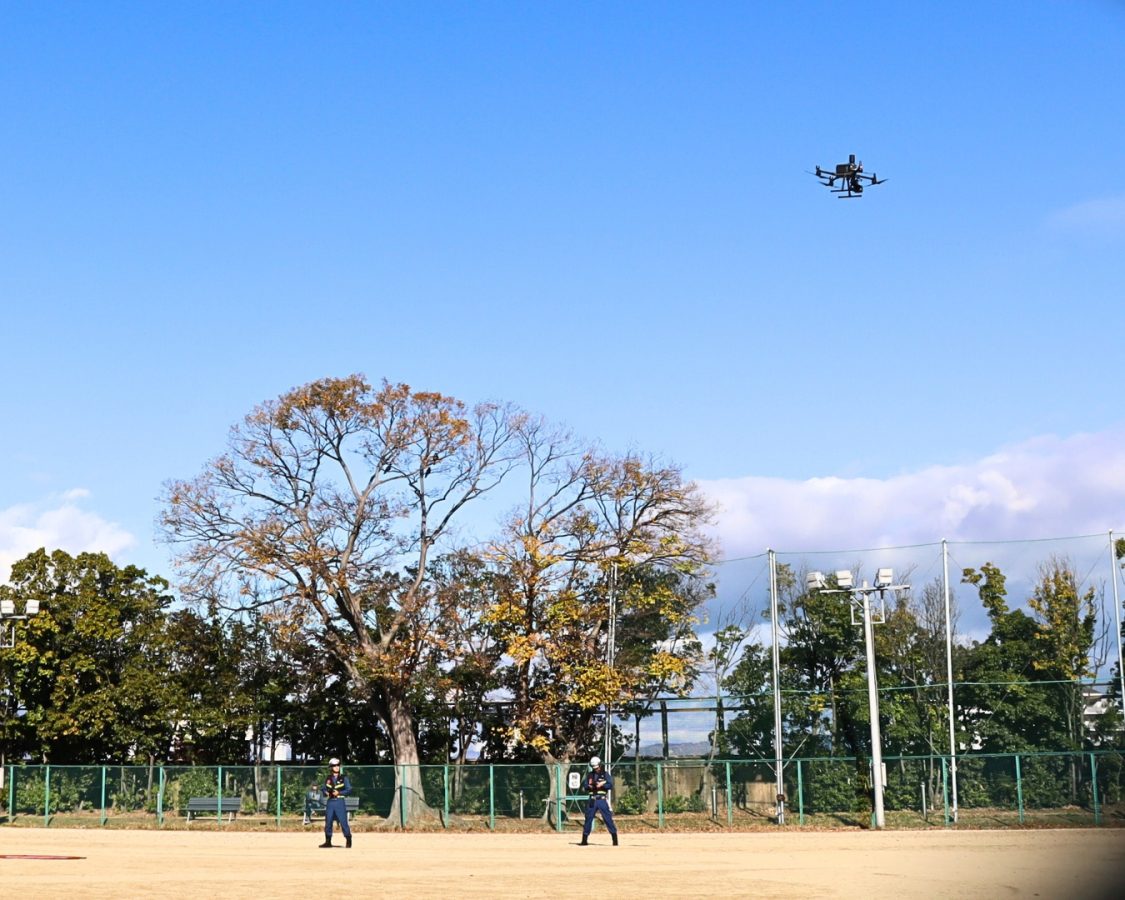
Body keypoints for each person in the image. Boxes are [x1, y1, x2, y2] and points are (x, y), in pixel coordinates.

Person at [579, 756, 618, 846]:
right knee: (588, 819)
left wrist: (602, 785)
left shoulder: (605, 774)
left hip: (602, 800)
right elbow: (585, 786)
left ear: (600, 765)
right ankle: (584, 840)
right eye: (594, 768)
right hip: (592, 800)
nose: (596, 769)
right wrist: (589, 786)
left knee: (608, 819)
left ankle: (614, 839)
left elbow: (610, 785)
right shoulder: (589, 775)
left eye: (597, 767)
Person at [319, 758, 352, 848]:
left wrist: (340, 793)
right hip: (330, 802)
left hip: (339, 802)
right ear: (331, 767)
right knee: (328, 821)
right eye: (334, 766)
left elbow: (349, 789)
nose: (337, 767)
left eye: (338, 765)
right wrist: (325, 792)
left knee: (343, 822)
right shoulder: (328, 778)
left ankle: (348, 840)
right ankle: (328, 841)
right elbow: (323, 788)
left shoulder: (344, 778)